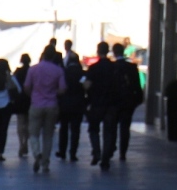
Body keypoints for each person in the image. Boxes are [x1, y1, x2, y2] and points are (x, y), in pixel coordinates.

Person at [23, 45, 66, 173]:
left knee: (33, 133)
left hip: (36, 104)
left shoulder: (33, 69)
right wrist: (53, 93)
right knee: (48, 135)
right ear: (53, 56)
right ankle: (45, 163)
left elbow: (26, 87)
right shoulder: (58, 70)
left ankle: (37, 154)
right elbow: (63, 89)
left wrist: (34, 94)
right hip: (51, 104)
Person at [84, 41, 119, 169]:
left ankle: (97, 151)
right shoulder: (114, 68)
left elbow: (87, 85)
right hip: (111, 103)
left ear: (98, 51)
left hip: (96, 103)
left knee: (93, 129)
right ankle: (105, 157)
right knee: (108, 131)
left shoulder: (93, 68)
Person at [111, 42, 144, 161]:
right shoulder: (131, 67)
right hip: (128, 102)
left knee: (112, 127)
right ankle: (123, 153)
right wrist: (137, 100)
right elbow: (137, 86)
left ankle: (111, 147)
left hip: (114, 102)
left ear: (114, 53)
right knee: (125, 128)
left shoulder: (112, 67)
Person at [57, 54, 87, 161]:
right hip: (78, 104)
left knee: (63, 128)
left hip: (64, 104)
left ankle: (62, 151)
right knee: (75, 130)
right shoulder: (82, 73)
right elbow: (86, 87)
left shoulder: (63, 73)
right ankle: (73, 153)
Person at [12, 53, 32, 157]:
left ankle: (21, 144)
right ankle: (26, 143)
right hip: (30, 98)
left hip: (19, 99)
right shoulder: (32, 71)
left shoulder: (18, 72)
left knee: (20, 122)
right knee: (28, 123)